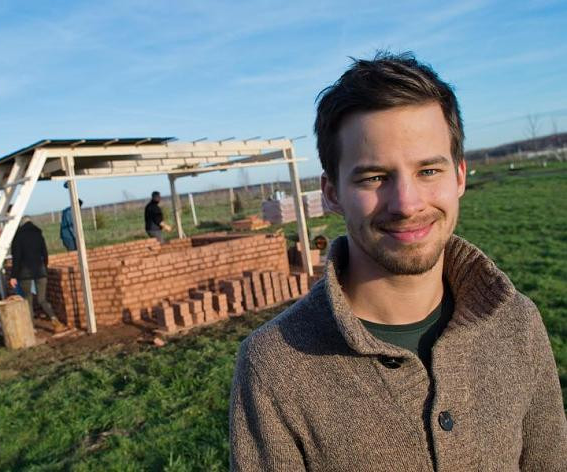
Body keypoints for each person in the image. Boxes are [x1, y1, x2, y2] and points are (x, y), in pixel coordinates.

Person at [229, 52, 566, 471]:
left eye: (428, 171)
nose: (407, 203)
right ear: (332, 192)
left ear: (459, 176)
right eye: (374, 177)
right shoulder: (273, 367)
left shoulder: (517, 323)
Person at [10, 217, 64, 331]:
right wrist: (44, 266)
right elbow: (45, 253)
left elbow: (17, 258)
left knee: (28, 300)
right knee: (42, 299)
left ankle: (31, 327)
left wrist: (13, 276)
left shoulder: (18, 237)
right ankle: (55, 320)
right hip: (40, 271)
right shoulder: (38, 234)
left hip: (25, 273)